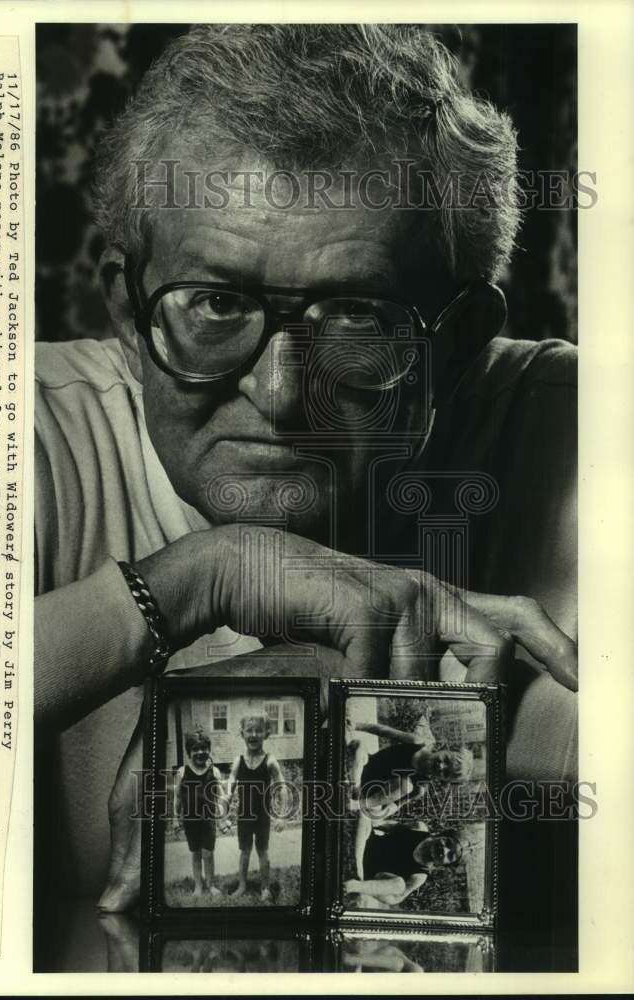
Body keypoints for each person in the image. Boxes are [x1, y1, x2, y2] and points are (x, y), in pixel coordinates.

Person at [33, 24, 578, 914]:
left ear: (464, 342)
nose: (282, 390)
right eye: (215, 303)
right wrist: (198, 581)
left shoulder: (588, 429)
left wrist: (336, 691)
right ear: (128, 316)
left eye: (356, 317)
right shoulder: (12, 434)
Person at [347, 716, 473, 817]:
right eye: (445, 759)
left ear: (443, 781)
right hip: (365, 765)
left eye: (445, 773)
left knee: (406, 786)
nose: (441, 766)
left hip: (368, 792)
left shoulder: (419, 788)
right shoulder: (417, 743)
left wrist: (380, 814)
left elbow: (394, 806)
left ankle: (356, 803)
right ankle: (354, 784)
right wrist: (357, 726)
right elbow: (385, 731)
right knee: (360, 746)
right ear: (445, 750)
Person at [223, 715, 286, 901]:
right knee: (244, 851)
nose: (253, 734)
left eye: (258, 730)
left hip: (262, 816)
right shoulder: (238, 761)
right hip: (244, 815)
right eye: (249, 730)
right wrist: (223, 811)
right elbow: (230, 788)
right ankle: (242, 886)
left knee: (263, 852)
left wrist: (282, 816)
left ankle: (265, 887)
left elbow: (282, 787)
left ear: (266, 733)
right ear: (242, 733)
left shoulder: (270, 761)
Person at [344, 821, 463, 909]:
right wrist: (370, 823)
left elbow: (395, 899)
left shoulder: (420, 875)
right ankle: (356, 865)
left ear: (443, 865)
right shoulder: (419, 829)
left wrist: (369, 890)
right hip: (365, 842)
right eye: (447, 842)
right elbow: (386, 824)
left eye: (450, 856)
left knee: (400, 886)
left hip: (368, 871)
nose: (445, 850)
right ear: (441, 834)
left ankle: (354, 885)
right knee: (364, 817)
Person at [171, 729, 223, 897]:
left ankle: (210, 884)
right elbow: (177, 798)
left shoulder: (214, 772)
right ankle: (198, 886)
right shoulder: (181, 772)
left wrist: (223, 819)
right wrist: (175, 819)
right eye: (195, 749)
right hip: (190, 820)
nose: (200, 752)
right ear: (189, 752)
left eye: (204, 748)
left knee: (208, 853)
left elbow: (221, 798)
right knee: (196, 853)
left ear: (209, 750)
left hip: (208, 820)